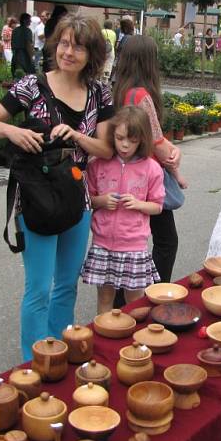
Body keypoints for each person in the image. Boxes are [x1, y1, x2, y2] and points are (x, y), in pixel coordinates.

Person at [0, 13, 114, 361]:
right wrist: (15, 131)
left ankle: (61, 353)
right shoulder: (31, 85)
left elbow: (106, 148)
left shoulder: (99, 92)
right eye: (65, 43)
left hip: (78, 197)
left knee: (66, 285)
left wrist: (77, 137)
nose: (68, 52)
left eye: (79, 47)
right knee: (39, 288)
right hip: (37, 196)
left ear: (92, 55)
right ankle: (35, 361)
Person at [113, 34, 186, 283]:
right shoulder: (141, 95)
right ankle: (155, 292)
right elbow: (157, 142)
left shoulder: (120, 90)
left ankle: (124, 296)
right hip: (148, 175)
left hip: (125, 172)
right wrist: (175, 155)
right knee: (167, 241)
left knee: (130, 239)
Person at [82, 106, 164, 314]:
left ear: (143, 140)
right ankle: (105, 337)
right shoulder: (98, 164)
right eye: (119, 138)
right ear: (112, 135)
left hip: (133, 244)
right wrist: (101, 201)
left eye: (132, 140)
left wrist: (138, 204)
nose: (125, 145)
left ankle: (133, 341)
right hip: (103, 243)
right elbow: (88, 199)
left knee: (134, 301)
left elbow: (157, 206)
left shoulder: (151, 168)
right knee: (105, 296)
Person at [10, 12, 34, 77]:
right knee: (25, 76)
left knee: (16, 74)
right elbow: (28, 44)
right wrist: (31, 57)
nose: (30, 21)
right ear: (24, 20)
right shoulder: (27, 31)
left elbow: (12, 44)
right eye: (29, 19)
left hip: (15, 55)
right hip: (24, 56)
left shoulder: (15, 30)